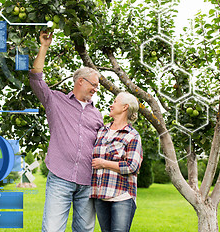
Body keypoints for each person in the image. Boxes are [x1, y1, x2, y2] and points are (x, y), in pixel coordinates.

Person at [29, 30, 103, 232]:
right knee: (52, 229)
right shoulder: (55, 100)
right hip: (60, 177)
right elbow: (36, 79)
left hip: (88, 180)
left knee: (85, 230)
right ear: (81, 81)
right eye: (94, 85)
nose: (96, 89)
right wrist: (44, 46)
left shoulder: (97, 115)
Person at [91, 92, 143, 232]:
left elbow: (132, 166)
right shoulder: (102, 131)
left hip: (122, 196)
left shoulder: (132, 135)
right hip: (101, 195)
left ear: (125, 107)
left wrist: (104, 163)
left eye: (115, 102)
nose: (111, 105)